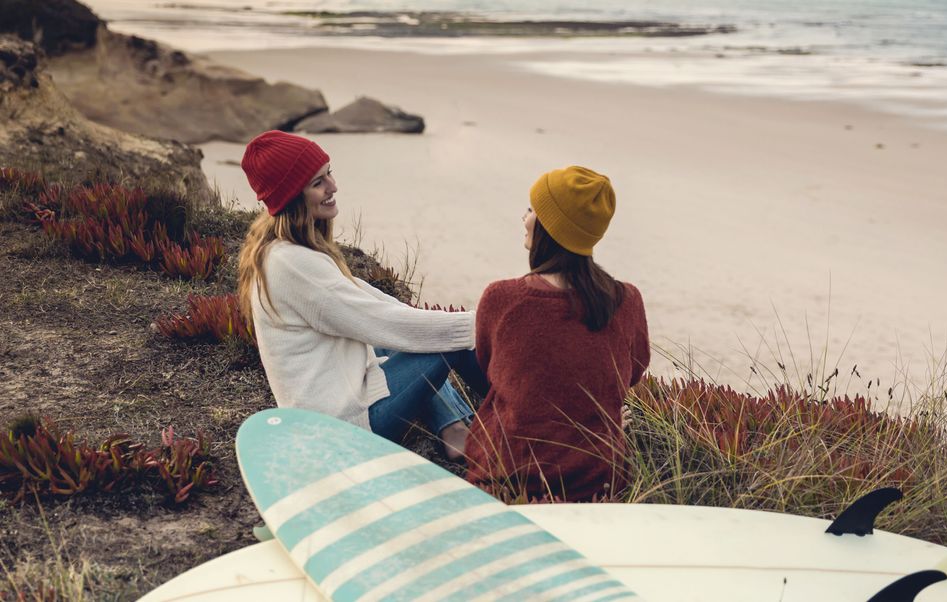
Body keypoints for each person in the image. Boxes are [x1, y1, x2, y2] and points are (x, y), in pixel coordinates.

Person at [235, 130, 486, 459]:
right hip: (344, 428)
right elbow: (382, 321)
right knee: (450, 341)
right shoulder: (291, 263)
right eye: (317, 183)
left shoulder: (289, 252)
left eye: (329, 173)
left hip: (344, 403)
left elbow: (379, 305)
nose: (333, 187)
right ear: (293, 198)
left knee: (429, 332)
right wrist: (481, 324)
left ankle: (453, 427)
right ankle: (535, 423)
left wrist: (471, 321)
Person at [464, 166, 650, 501]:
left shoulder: (503, 298)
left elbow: (486, 365)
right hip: (598, 479)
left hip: (509, 476)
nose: (524, 217)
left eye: (533, 209)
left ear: (551, 225)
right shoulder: (627, 301)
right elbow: (633, 372)